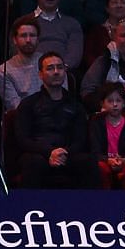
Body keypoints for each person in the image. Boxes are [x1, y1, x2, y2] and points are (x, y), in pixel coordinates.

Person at [13, 52, 99, 188]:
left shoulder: (76, 106)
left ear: (65, 72)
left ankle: (88, 208)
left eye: (60, 67)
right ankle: (30, 208)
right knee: (32, 162)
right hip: (38, 153)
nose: (56, 72)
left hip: (68, 154)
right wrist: (49, 152)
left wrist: (63, 153)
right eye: (50, 68)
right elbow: (23, 139)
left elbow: (80, 139)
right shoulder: (28, 104)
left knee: (87, 161)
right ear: (40, 74)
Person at [90, 84, 125, 190]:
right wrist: (108, 160)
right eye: (110, 101)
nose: (114, 104)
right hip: (105, 161)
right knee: (101, 168)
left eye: (118, 101)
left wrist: (124, 160)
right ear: (102, 103)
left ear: (123, 103)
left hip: (124, 161)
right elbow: (94, 152)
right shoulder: (97, 124)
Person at [0, 17, 42, 113]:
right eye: (23, 35)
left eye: (32, 35)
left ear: (38, 39)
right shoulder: (4, 70)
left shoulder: (52, 64)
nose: (28, 40)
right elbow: (13, 104)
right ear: (15, 40)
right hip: (23, 119)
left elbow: (61, 97)